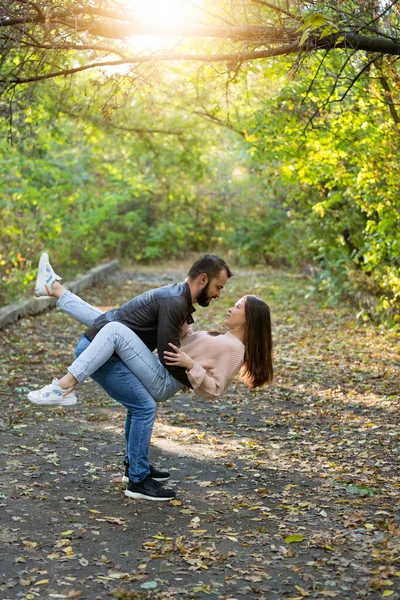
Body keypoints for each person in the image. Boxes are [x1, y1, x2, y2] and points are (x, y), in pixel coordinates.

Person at [28, 254, 273, 501]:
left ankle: (65, 386)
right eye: (220, 288)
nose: (228, 304)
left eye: (238, 307)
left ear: (249, 319)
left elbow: (215, 389)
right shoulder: (224, 337)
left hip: (164, 380)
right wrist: (175, 312)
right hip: (160, 370)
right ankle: (55, 289)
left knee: (114, 329)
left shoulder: (234, 349)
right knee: (112, 322)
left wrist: (191, 366)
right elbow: (186, 342)